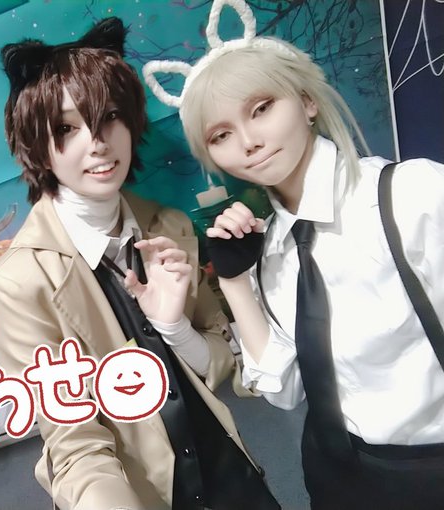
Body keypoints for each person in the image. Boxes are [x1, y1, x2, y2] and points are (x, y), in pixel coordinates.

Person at [143, 0, 444, 509]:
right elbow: (286, 392)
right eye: (221, 135)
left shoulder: (413, 196)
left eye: (261, 108)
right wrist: (235, 280)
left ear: (306, 101)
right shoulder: (271, 248)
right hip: (335, 479)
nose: (249, 142)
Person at [0, 16, 280, 510]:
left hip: (233, 480)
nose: (97, 143)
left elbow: (220, 363)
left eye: (108, 117)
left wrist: (175, 329)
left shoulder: (170, 226)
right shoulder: (19, 283)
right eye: (66, 128)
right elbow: (74, 447)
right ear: (36, 144)